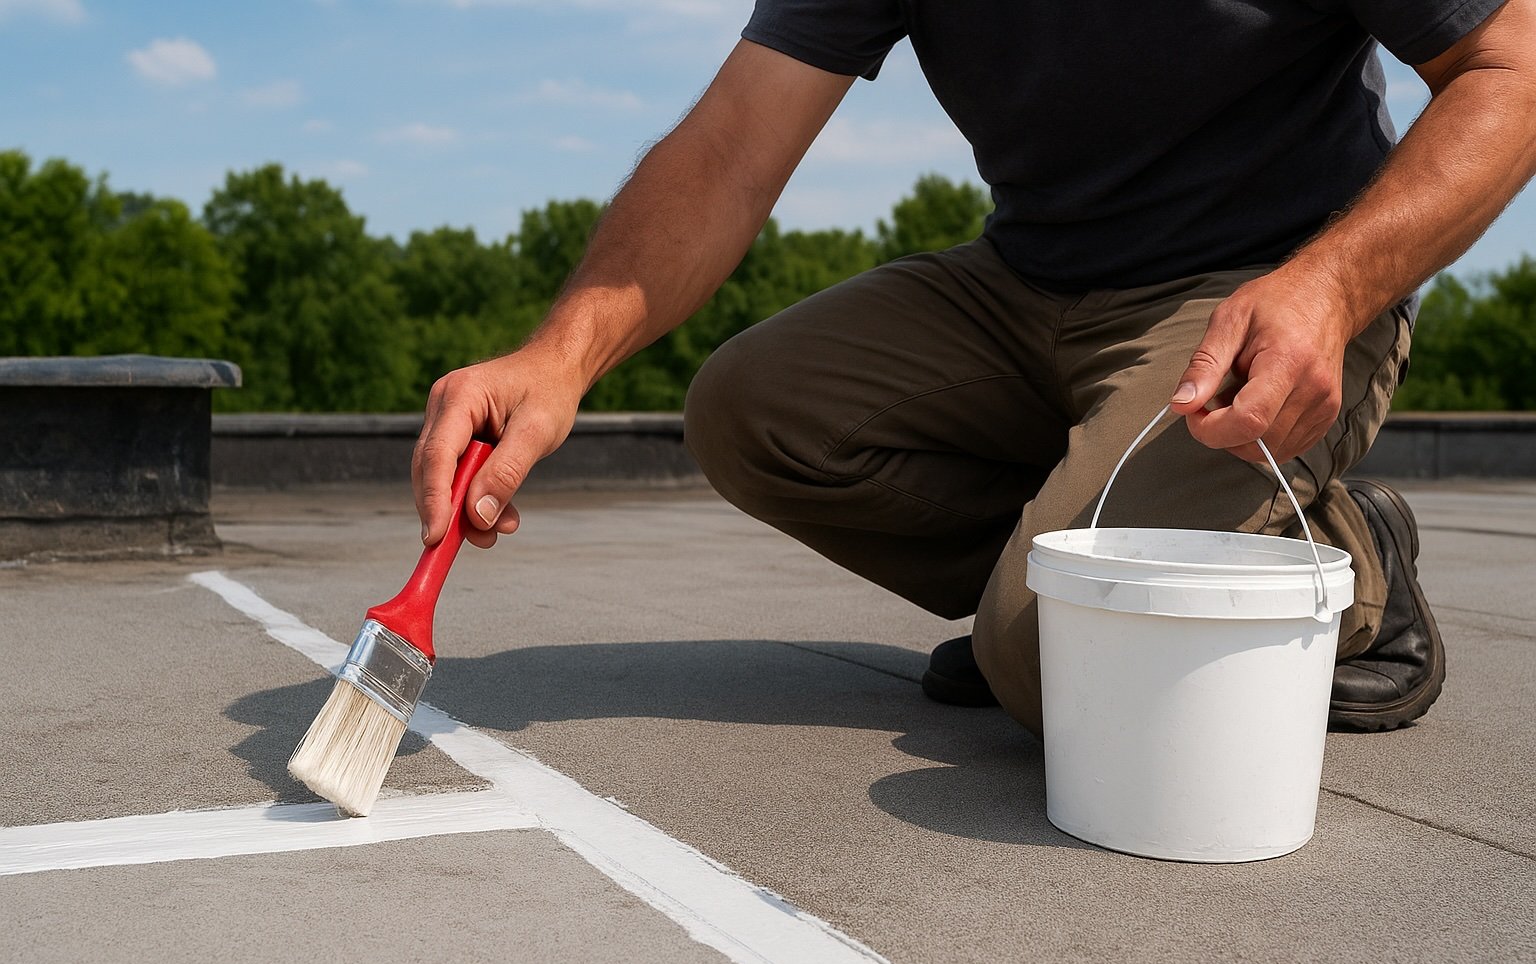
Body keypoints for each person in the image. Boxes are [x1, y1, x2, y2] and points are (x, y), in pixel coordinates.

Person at [413, 0, 1536, 736]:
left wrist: (1332, 285)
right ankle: (1056, 579)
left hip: (1264, 296)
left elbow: (1513, 65)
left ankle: (1352, 561)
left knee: (1055, 669)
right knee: (751, 411)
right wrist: (557, 357)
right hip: (1028, 281)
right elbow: (728, 150)